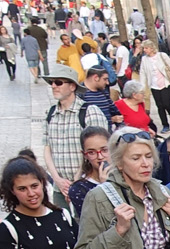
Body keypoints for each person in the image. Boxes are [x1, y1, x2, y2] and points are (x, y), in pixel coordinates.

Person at [39, 64, 105, 195]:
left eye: (58, 82)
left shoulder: (89, 112)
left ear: (72, 86)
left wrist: (76, 180)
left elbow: (100, 152)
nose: (53, 86)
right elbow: (47, 148)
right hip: (60, 188)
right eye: (52, 83)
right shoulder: (50, 113)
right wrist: (57, 179)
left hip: (86, 186)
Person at [66, 125, 109, 218]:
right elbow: (95, 222)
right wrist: (106, 187)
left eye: (104, 150)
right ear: (84, 155)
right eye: (92, 152)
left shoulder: (126, 177)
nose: (100, 157)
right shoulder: (79, 189)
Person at [140, 42, 170, 128]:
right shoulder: (144, 59)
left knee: (167, 104)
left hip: (165, 83)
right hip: (154, 85)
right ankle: (165, 124)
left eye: (146, 48)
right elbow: (142, 73)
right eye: (144, 48)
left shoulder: (162, 56)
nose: (144, 50)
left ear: (151, 48)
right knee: (160, 106)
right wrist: (142, 86)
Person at [79, 54, 121, 125]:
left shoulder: (104, 93)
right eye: (105, 79)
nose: (107, 83)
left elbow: (115, 112)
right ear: (96, 78)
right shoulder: (79, 94)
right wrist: (110, 120)